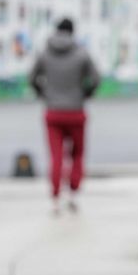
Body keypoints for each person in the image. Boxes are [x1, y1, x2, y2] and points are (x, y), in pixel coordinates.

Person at [29, 18, 100, 216]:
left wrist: (44, 94)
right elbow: (95, 78)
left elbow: (31, 78)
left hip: (52, 112)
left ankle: (55, 198)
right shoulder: (81, 54)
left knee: (56, 156)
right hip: (76, 112)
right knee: (76, 154)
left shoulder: (44, 54)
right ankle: (73, 195)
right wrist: (85, 94)